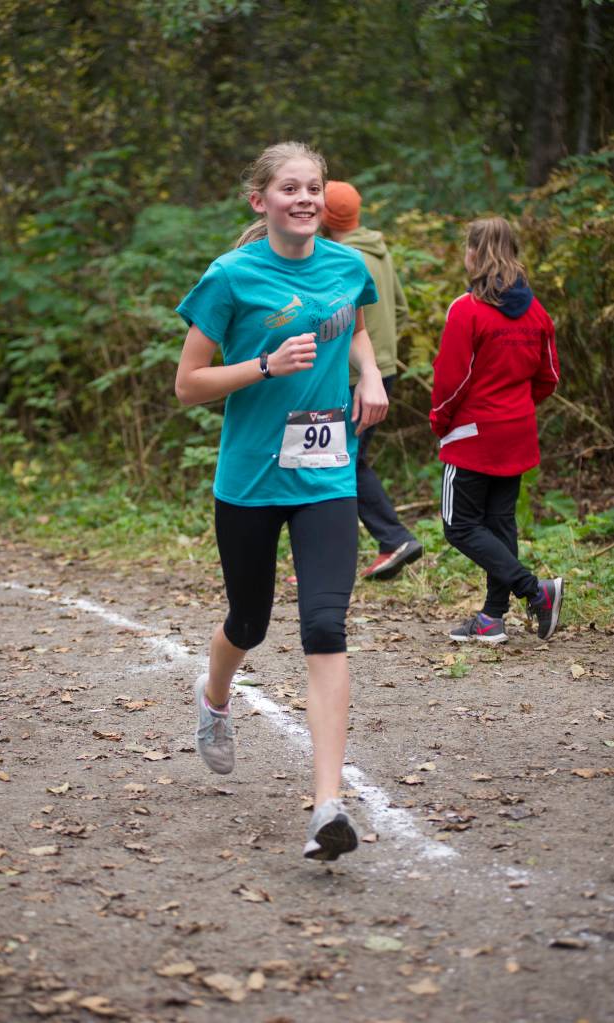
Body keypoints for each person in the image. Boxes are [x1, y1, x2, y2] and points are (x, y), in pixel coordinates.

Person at [174, 141, 388, 861]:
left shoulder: (346, 267)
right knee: (249, 619)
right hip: (250, 480)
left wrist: (370, 376)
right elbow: (188, 383)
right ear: (259, 200)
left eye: (313, 188)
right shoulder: (230, 277)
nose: (304, 199)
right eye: (290, 188)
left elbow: (355, 330)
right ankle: (213, 697)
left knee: (325, 624)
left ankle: (328, 803)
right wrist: (264, 365)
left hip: (327, 473)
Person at [430, 216, 563, 644]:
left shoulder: (466, 310)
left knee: (459, 526)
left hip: (472, 434)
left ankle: (534, 590)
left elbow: (451, 379)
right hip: (517, 431)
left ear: (473, 253)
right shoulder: (537, 311)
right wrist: (517, 408)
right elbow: (550, 378)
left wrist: (440, 423)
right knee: (499, 522)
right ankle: (491, 618)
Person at [321, 181, 422, 580]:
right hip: (385, 372)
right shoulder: (381, 252)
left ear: (325, 216)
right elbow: (400, 309)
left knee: (339, 461)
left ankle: (389, 540)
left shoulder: (337, 257)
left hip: (353, 377)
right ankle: (366, 547)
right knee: (346, 460)